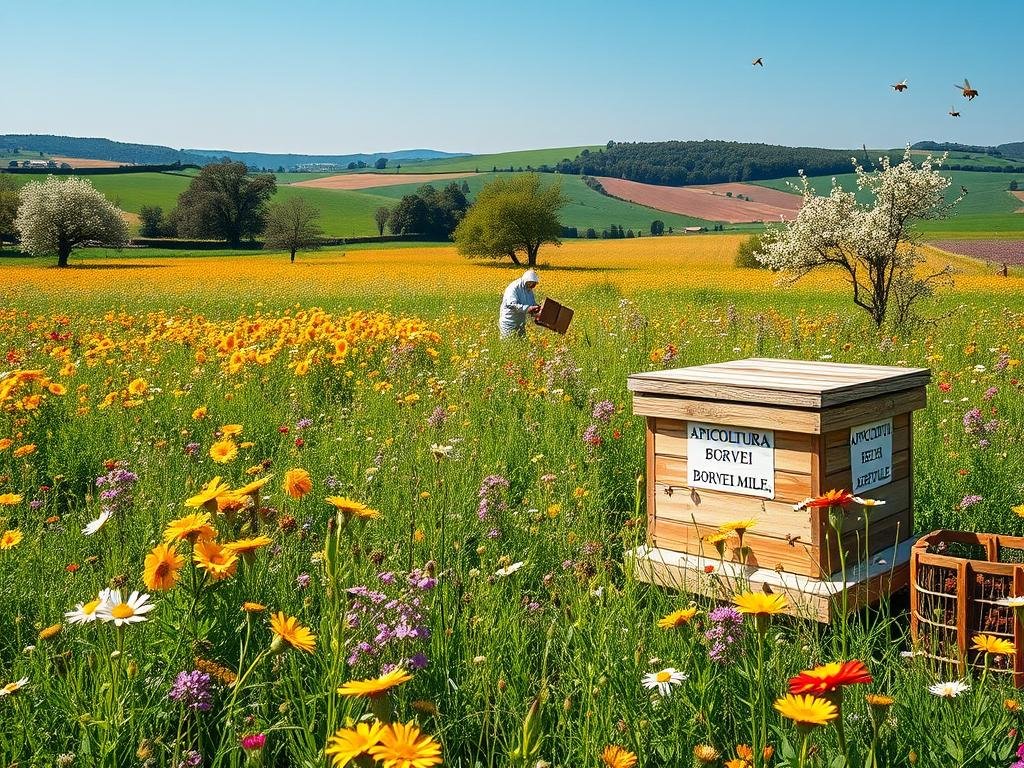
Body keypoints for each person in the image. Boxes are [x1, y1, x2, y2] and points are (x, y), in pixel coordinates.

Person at [498, 269, 540, 338]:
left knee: (521, 344)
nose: (533, 286)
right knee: (508, 345)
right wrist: (528, 308)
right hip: (509, 322)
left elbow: (532, 304)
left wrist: (537, 309)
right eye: (533, 284)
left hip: (520, 323)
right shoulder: (513, 288)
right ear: (528, 281)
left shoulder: (529, 289)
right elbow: (511, 305)